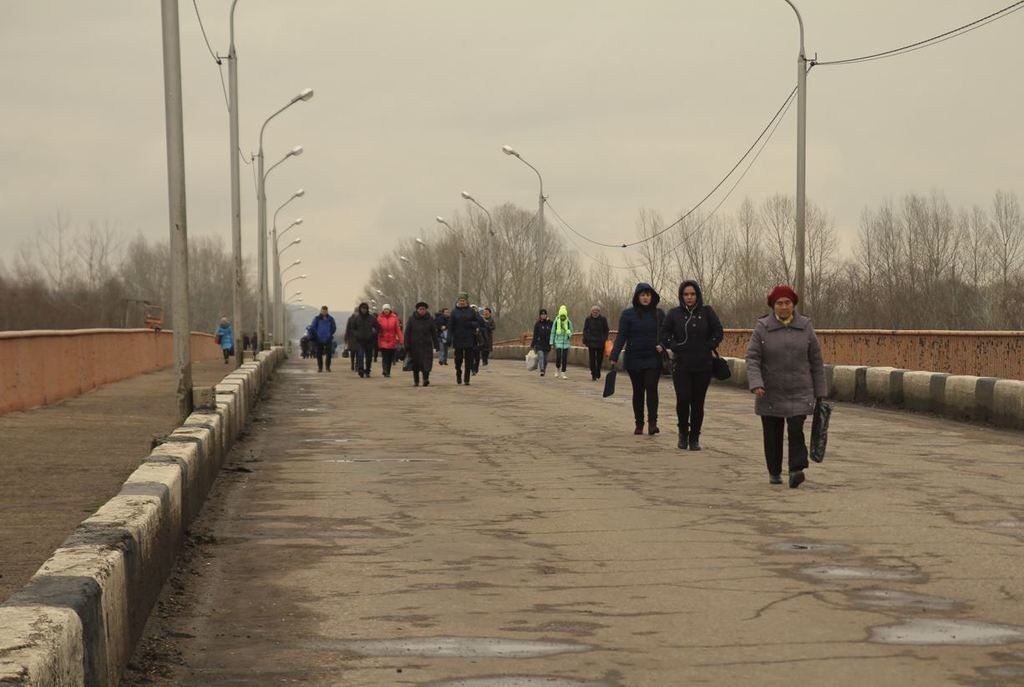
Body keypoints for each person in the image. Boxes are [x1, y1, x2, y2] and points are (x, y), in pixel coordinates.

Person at [745, 285, 827, 488]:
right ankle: (774, 471)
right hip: (770, 389)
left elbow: (816, 359)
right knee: (772, 433)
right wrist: (756, 383)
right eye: (779, 303)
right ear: (773, 306)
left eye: (787, 303)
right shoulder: (762, 327)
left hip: (800, 388)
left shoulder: (805, 326)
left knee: (796, 429)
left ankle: (796, 470)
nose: (784, 307)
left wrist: (820, 391)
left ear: (794, 305)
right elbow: (752, 358)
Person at [661, 280, 724, 451]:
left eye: (693, 294)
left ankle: (694, 437)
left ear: (698, 295)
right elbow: (664, 333)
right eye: (686, 294)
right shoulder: (674, 314)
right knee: (683, 399)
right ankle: (683, 433)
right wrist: (673, 344)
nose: (689, 297)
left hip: (703, 365)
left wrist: (709, 345)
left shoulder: (707, 312)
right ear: (681, 296)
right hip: (681, 365)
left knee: (698, 402)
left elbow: (718, 331)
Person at [609, 283, 666, 436]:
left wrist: (662, 344)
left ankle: (652, 423)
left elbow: (667, 334)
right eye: (642, 295)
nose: (646, 298)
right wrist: (614, 356)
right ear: (637, 297)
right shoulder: (628, 315)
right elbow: (621, 336)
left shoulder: (659, 314)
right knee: (638, 391)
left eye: (648, 295)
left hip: (653, 358)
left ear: (652, 297)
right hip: (634, 358)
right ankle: (639, 423)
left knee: (651, 388)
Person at [448, 293, 482, 386]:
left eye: (463, 301)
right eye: (460, 300)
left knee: (469, 359)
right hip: (458, 338)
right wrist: (449, 337)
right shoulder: (454, 312)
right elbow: (450, 326)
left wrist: (471, 324)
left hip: (469, 338)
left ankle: (467, 379)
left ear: (467, 301)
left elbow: (478, 322)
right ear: (458, 301)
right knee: (458, 359)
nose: (462, 302)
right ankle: (458, 372)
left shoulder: (471, 311)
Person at [404, 301, 440, 387]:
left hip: (426, 345)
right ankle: (416, 381)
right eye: (420, 309)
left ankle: (425, 379)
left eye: (424, 309)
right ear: (417, 310)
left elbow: (433, 333)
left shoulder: (430, 319)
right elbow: (407, 333)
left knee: (427, 363)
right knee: (416, 364)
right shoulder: (411, 319)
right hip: (414, 345)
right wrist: (407, 345)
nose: (422, 311)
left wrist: (436, 345)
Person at [344, 303, 380, 377]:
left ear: (367, 309)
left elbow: (377, 327)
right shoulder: (357, 318)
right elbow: (352, 328)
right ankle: (360, 370)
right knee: (360, 355)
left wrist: (373, 333)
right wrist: (356, 334)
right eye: (362, 309)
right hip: (360, 341)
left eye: (365, 309)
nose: (364, 310)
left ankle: (367, 370)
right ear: (360, 309)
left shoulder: (372, 318)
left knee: (369, 357)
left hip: (369, 340)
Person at [582, 305, 610, 381]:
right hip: (591, 342)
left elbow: (606, 330)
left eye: (596, 311)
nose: (595, 313)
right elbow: (585, 329)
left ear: (599, 312)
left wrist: (604, 338)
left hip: (600, 342)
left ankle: (598, 371)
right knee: (592, 359)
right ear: (591, 312)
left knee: (599, 359)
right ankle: (593, 373)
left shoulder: (603, 319)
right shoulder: (588, 319)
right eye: (593, 311)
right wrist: (586, 338)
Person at [376, 304, 404, 378]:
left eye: (387, 309)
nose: (386, 311)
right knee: (385, 356)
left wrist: (401, 340)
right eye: (385, 309)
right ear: (383, 310)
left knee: (390, 357)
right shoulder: (380, 318)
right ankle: (385, 370)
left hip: (392, 340)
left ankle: (388, 371)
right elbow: (377, 329)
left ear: (390, 310)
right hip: (383, 340)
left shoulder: (394, 318)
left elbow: (398, 330)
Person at [309, 306, 337, 372]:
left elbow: (334, 327)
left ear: (327, 311)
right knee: (319, 354)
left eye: (325, 311)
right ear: (321, 311)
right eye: (323, 311)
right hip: (319, 339)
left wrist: (330, 334)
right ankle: (320, 367)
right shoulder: (317, 319)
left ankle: (327, 367)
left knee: (329, 354)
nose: (324, 312)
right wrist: (316, 335)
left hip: (328, 338)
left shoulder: (330, 319)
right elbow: (313, 327)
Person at [549, 305, 574, 379]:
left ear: (566, 315)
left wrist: (569, 335)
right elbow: (553, 332)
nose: (562, 317)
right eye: (561, 316)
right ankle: (557, 369)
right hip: (558, 342)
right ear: (559, 315)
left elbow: (571, 331)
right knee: (559, 357)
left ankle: (563, 372)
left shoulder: (569, 322)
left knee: (564, 358)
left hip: (566, 342)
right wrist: (551, 342)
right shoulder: (556, 321)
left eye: (564, 316)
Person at [531, 309, 553, 377]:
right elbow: (535, 335)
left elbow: (553, 333)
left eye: (544, 314)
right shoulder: (538, 324)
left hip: (547, 344)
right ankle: (542, 370)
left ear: (546, 315)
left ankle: (544, 369)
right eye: (542, 314)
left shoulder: (550, 323)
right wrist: (533, 344)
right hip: (539, 343)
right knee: (541, 356)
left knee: (545, 360)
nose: (543, 316)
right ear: (540, 315)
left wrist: (552, 342)